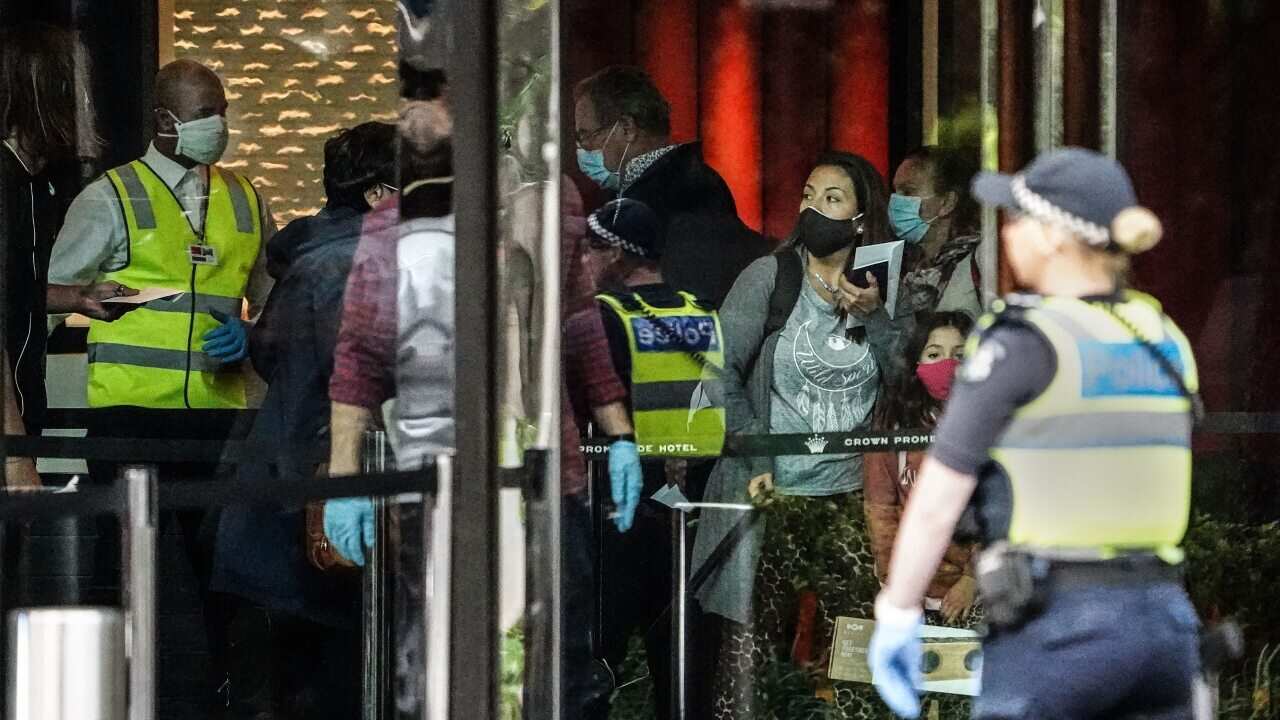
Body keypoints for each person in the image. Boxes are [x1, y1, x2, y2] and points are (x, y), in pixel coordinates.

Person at [870, 148, 1202, 719]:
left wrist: (898, 611)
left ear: (1053, 237)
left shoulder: (1024, 341)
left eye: (1020, 219)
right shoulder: (1163, 337)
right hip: (1165, 625)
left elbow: (937, 498)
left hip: (1059, 630)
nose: (1010, 232)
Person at [44, 58, 275, 710]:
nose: (217, 124)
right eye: (204, 112)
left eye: (222, 108)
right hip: (129, 419)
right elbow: (42, 292)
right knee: (119, 571)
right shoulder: (112, 195)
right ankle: (101, 697)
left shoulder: (246, 196)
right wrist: (87, 296)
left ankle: (220, 698)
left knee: (225, 579)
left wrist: (254, 339)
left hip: (220, 415)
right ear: (164, 121)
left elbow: (274, 301)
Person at [690, 151, 909, 719]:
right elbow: (717, 371)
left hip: (847, 501)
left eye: (832, 198)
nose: (813, 206)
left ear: (861, 219)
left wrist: (876, 316)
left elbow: (909, 384)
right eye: (809, 193)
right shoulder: (772, 275)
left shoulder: (881, 287)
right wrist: (754, 446)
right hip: (770, 497)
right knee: (751, 663)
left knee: (857, 654)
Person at [207, 121, 396, 719]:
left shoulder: (317, 260)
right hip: (316, 511)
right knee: (329, 685)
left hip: (280, 507)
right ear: (377, 195)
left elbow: (273, 356)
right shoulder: (352, 265)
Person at [573, 198, 726, 718]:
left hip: (618, 512)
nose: (583, 262)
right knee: (679, 672)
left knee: (598, 662)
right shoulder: (699, 308)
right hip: (690, 516)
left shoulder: (605, 318)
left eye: (590, 249)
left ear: (617, 254)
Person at [573, 65, 768, 307]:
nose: (582, 148)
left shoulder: (672, 195)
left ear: (626, 129)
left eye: (586, 135)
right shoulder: (700, 179)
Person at [864, 310, 979, 718]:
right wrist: (896, 584)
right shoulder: (893, 425)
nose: (947, 364)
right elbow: (881, 508)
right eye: (934, 353)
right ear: (916, 364)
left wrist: (971, 579)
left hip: (970, 594)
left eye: (960, 354)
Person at [892, 145, 985, 321]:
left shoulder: (981, 260)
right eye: (895, 191)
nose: (896, 201)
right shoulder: (907, 270)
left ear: (947, 202)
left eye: (908, 191)